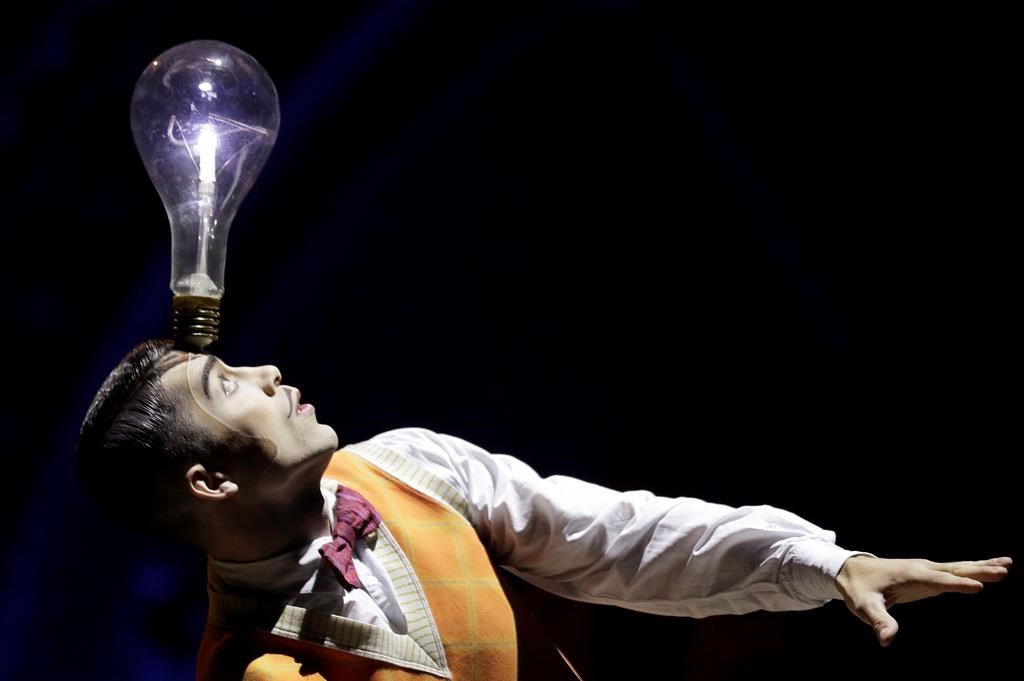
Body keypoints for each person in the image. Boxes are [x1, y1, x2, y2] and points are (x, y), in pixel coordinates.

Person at [76, 339, 1012, 680]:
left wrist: (822, 561)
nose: (270, 370)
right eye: (227, 381)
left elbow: (617, 537)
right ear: (208, 484)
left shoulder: (408, 465)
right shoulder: (259, 670)